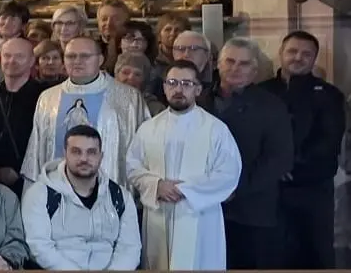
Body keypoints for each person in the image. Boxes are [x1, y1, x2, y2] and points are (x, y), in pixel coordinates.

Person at [125, 61, 241, 270]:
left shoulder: (215, 129)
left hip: (199, 215)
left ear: (198, 89)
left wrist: (185, 190)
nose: (178, 89)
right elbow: (133, 166)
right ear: (164, 87)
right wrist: (157, 185)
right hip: (159, 214)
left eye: (186, 83)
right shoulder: (148, 128)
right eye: (172, 82)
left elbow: (228, 173)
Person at [261, 30, 345, 269]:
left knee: (315, 255)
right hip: (270, 191)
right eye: (293, 51)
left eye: (306, 54)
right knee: (272, 256)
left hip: (313, 190)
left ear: (314, 59)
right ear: (281, 53)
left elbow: (328, 141)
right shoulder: (261, 91)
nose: (298, 58)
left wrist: (289, 164)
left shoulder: (329, 95)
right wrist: (273, 168)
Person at [209, 37, 294, 269]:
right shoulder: (200, 99)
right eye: (230, 61)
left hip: (253, 212)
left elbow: (279, 158)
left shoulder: (272, 105)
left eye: (244, 64)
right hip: (204, 210)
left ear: (255, 70)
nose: (236, 68)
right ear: (218, 63)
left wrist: (235, 189)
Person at [23, 36, 147, 185]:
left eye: (85, 56)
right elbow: (36, 148)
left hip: (107, 189)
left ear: (100, 60)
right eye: (71, 56)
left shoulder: (127, 97)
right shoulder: (49, 98)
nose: (77, 61)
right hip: (57, 187)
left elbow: (142, 149)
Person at [22, 125, 140, 271]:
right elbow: (39, 246)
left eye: (91, 152)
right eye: (76, 152)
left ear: (101, 156)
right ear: (65, 154)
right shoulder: (40, 193)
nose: (84, 159)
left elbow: (130, 248)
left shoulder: (121, 197)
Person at [0, 37, 46, 190]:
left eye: (19, 56)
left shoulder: (44, 96)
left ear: (32, 61)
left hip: (30, 180)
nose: (12, 61)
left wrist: (20, 171)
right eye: (7, 56)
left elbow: (46, 140)